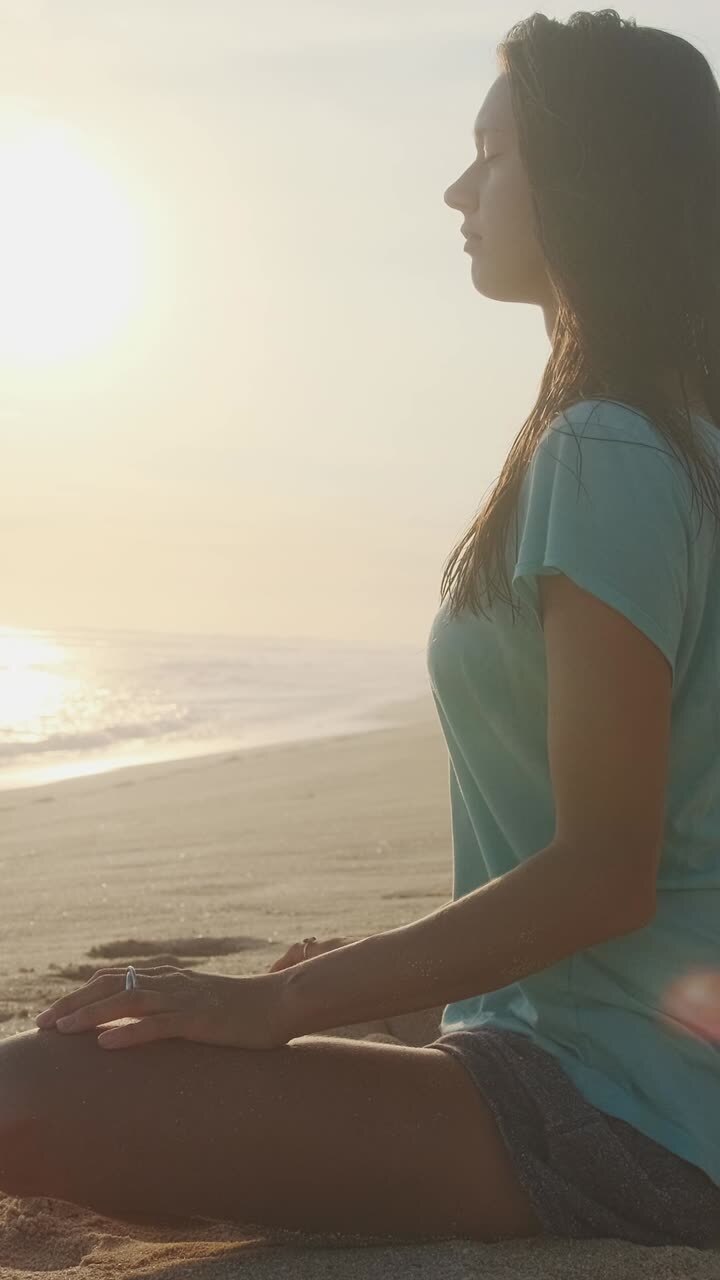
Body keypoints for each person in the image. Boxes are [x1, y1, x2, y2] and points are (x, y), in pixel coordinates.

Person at [1, 8, 720, 1250]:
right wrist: (407, 974)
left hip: (628, 1107)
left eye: (491, 154)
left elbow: (608, 869)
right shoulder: (677, 434)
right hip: (604, 1055)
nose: (457, 187)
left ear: (589, 172)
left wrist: (283, 1002)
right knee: (106, 1046)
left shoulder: (609, 446)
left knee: (33, 1091)